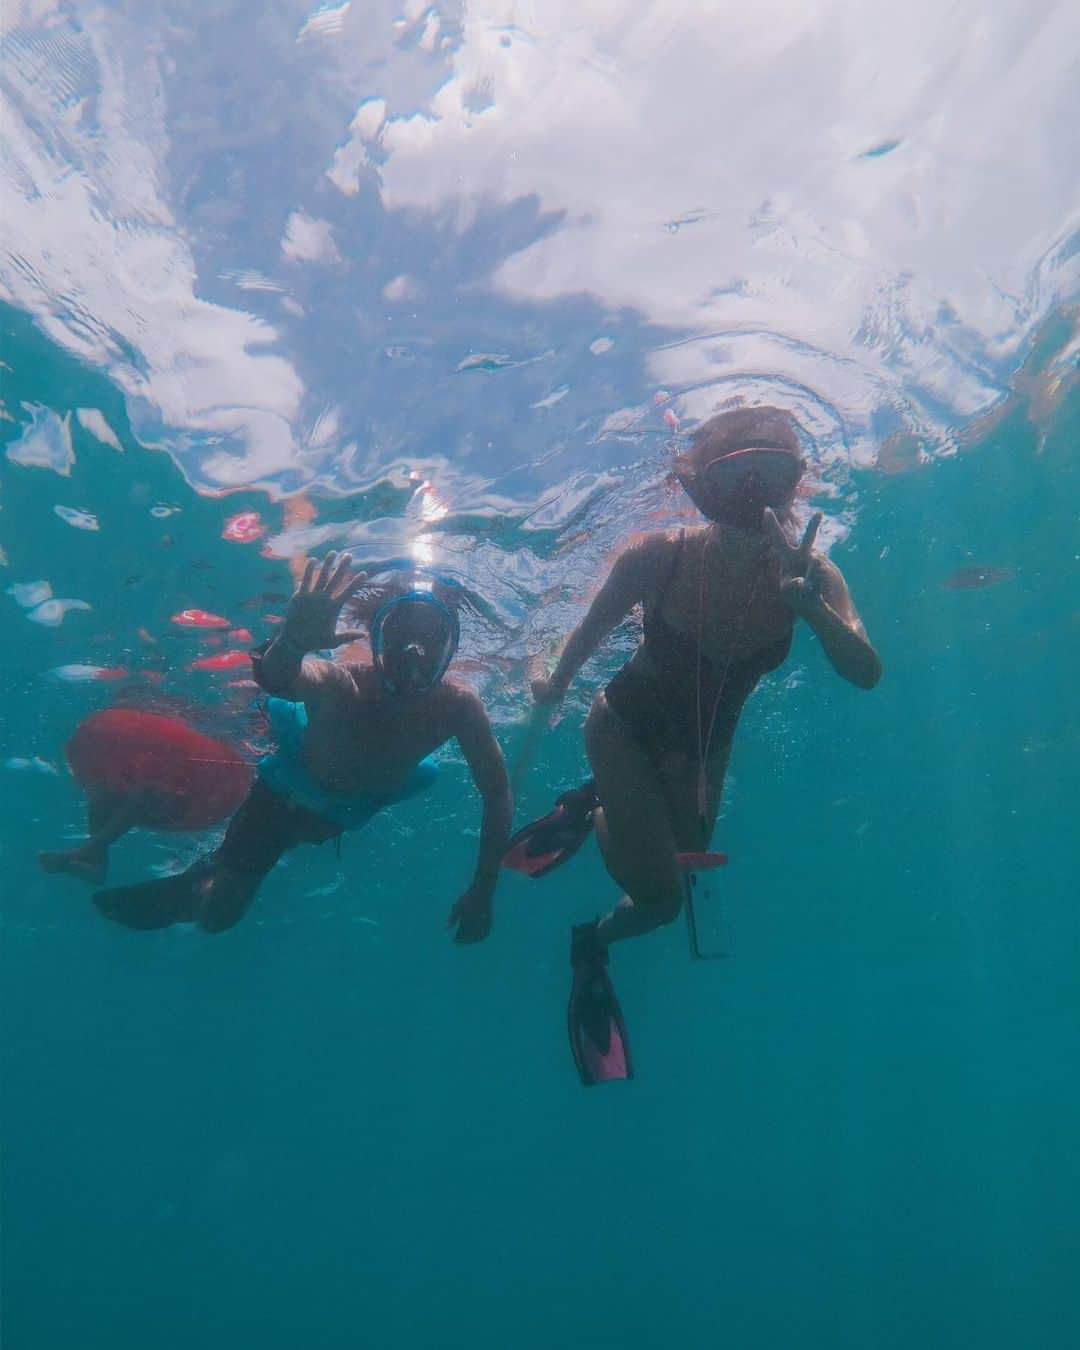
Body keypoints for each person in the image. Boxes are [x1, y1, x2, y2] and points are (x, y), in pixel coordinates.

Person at [510, 406, 882, 1084]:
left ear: (795, 487)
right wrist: (552, 683)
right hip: (622, 726)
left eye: (772, 479)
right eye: (733, 481)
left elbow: (866, 672)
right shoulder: (659, 556)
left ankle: (597, 809)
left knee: (684, 857)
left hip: (706, 752)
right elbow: (588, 632)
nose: (753, 500)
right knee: (659, 899)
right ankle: (591, 941)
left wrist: (810, 609)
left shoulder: (815, 576)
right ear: (698, 493)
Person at [93, 554, 512, 941]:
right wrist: (292, 642)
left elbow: (497, 794)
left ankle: (214, 864)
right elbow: (279, 678)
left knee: (277, 853)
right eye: (403, 637)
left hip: (341, 813)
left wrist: (485, 888)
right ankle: (198, 885)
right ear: (379, 637)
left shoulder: (459, 707)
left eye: (430, 640)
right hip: (282, 800)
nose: (415, 655)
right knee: (219, 917)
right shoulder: (341, 684)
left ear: (449, 646)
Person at [38, 708, 252, 885]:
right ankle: (95, 860)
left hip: (204, 788)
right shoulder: (141, 735)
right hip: (165, 773)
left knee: (146, 792)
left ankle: (91, 849)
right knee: (101, 787)